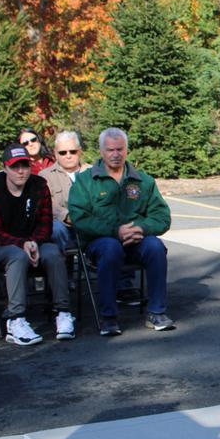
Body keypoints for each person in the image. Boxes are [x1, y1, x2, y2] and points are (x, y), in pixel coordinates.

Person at [67, 128, 174, 336]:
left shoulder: (144, 181)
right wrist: (116, 232)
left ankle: (157, 312)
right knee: (111, 248)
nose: (115, 154)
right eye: (110, 150)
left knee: (155, 247)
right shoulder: (85, 181)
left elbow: (162, 217)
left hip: (135, 240)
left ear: (126, 150)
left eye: (120, 149)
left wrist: (140, 228)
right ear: (101, 151)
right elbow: (80, 219)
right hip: (100, 243)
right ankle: (109, 317)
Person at [0, 143, 75, 345]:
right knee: (18, 256)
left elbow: (45, 224)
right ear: (5, 167)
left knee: (53, 252)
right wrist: (22, 244)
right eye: (15, 166)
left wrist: (34, 242)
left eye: (24, 165)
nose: (20, 171)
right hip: (1, 246)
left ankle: (63, 312)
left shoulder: (39, 186)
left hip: (34, 242)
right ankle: (16, 319)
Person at [40, 131, 87, 253]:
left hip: (89, 223)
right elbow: (47, 203)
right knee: (56, 229)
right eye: (62, 152)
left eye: (73, 151)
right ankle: (62, 268)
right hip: (63, 225)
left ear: (79, 151)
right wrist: (66, 215)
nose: (68, 155)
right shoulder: (45, 176)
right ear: (55, 153)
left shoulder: (91, 172)